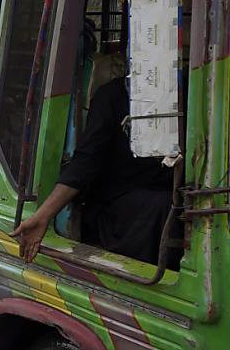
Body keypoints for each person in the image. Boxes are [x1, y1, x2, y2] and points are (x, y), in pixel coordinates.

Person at [10, 76, 176, 265]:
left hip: (168, 193)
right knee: (166, 207)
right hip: (119, 206)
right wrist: (43, 215)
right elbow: (85, 162)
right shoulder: (112, 96)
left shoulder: (185, 92)